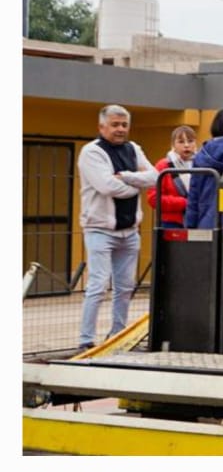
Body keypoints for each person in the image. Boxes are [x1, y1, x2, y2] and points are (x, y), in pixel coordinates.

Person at [76, 105, 157, 349]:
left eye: (124, 125)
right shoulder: (92, 152)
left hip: (130, 231)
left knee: (125, 287)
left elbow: (155, 176)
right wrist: (136, 185)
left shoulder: (134, 149)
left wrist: (126, 176)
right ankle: (86, 340)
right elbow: (107, 186)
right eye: (115, 124)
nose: (120, 129)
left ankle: (117, 335)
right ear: (102, 127)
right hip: (99, 229)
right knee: (97, 286)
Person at [146, 125, 198, 228]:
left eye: (190, 141)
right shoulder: (163, 166)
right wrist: (185, 203)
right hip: (171, 223)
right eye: (181, 142)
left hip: (197, 221)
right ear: (173, 145)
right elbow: (153, 198)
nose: (186, 145)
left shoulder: (202, 164)